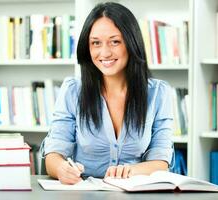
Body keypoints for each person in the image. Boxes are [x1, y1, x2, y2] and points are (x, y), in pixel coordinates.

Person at [41, 2, 174, 185]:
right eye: (96, 43)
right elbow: (53, 155)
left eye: (115, 41)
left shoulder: (158, 93)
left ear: (131, 42)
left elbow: (162, 161)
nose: (104, 52)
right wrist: (62, 169)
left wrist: (130, 171)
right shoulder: (72, 90)